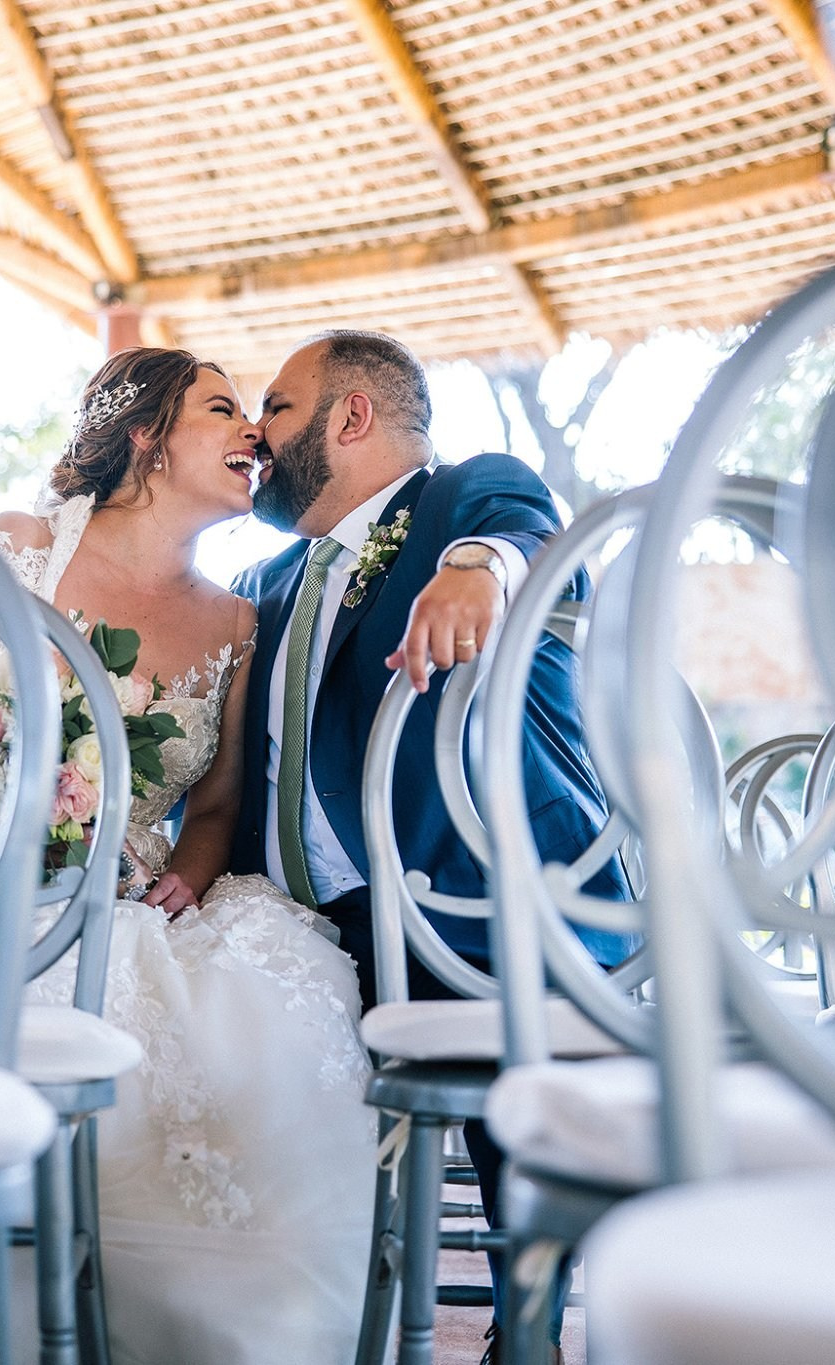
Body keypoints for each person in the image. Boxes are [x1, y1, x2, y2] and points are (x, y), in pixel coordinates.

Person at [0, 347, 379, 1365]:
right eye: (223, 409)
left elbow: (214, 806)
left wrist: (188, 870)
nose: (254, 436)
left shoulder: (233, 620)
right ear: (142, 434)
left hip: (133, 899)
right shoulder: (12, 550)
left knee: (259, 1006)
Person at [230, 329, 631, 1361]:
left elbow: (520, 523)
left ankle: (527, 1329)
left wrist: (475, 573)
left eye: (274, 409)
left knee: (498, 1030)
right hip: (308, 926)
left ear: (350, 417)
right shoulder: (267, 584)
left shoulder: (462, 500)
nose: (254, 436)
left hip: (473, 905)